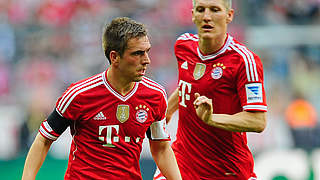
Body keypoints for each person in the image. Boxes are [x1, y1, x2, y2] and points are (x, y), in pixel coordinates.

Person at [22, 17, 182, 180]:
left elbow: (161, 148)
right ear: (114, 57)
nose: (147, 60)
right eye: (137, 53)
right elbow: (43, 139)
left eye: (147, 51)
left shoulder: (155, 95)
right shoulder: (79, 94)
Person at [153, 0, 267, 179]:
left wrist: (211, 119)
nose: (207, 17)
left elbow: (258, 121)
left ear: (229, 15)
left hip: (226, 168)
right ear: (192, 15)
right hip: (182, 161)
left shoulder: (244, 61)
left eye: (214, 10)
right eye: (200, 10)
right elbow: (187, 85)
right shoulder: (183, 46)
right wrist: (167, 110)